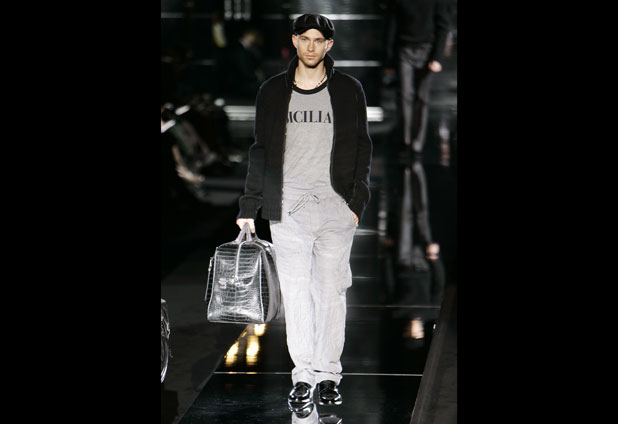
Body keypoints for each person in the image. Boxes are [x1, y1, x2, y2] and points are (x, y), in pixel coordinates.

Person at [235, 14, 372, 416]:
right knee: (296, 294)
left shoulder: (348, 89)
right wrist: (250, 206)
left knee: (331, 292)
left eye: (319, 40)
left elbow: (362, 146)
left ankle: (328, 375)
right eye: (305, 39)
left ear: (329, 45)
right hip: (287, 208)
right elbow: (260, 150)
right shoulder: (272, 91)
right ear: (294, 41)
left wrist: (356, 203)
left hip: (335, 207)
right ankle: (303, 377)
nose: (311, 47)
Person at [383, 0, 450, 262]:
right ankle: (408, 141)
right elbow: (392, 25)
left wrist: (437, 57)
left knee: (421, 98)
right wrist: (390, 57)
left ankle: (416, 144)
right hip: (405, 47)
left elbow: (443, 25)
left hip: (426, 48)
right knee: (406, 97)